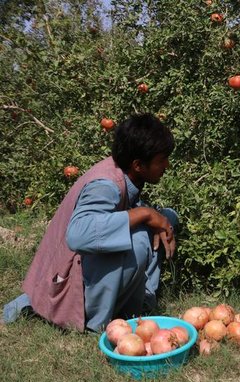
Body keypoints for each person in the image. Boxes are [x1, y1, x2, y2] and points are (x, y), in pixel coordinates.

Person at [2, 113, 179, 331]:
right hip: (67, 285)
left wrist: (154, 216)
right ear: (138, 165)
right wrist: (144, 214)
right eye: (162, 160)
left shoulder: (123, 172)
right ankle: (98, 323)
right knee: (141, 239)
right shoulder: (106, 185)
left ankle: (141, 300)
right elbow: (78, 234)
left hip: (82, 269)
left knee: (167, 218)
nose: (167, 166)